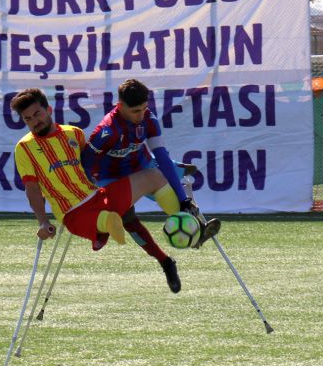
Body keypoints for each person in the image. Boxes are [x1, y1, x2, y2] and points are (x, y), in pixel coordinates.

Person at [11, 88, 189, 292]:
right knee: (120, 219)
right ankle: (106, 229)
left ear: (49, 110)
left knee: (155, 177)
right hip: (73, 213)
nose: (34, 121)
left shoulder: (74, 134)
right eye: (28, 119)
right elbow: (32, 189)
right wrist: (43, 221)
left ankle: (185, 221)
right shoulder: (24, 148)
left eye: (37, 114)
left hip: (99, 195)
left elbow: (92, 165)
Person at [82, 79, 221, 293]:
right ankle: (166, 263)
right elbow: (86, 162)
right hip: (112, 176)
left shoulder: (148, 119)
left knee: (170, 183)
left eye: (145, 108)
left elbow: (161, 156)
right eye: (135, 110)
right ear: (120, 106)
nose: (141, 114)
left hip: (143, 166)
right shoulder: (107, 130)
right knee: (127, 219)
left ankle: (195, 228)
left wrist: (183, 199)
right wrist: (93, 192)